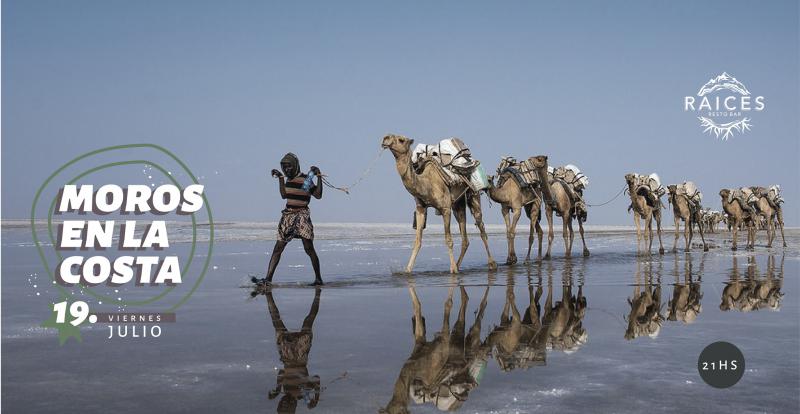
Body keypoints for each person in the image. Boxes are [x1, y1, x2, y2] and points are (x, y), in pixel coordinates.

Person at [260, 153, 324, 286]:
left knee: (309, 249)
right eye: (284, 167)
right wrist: (280, 178)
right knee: (278, 248)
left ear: (295, 166)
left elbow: (317, 195)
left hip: (302, 216)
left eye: (289, 166)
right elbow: (284, 195)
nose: (287, 169)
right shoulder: (287, 179)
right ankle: (268, 279)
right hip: (288, 216)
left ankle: (318, 279)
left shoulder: (305, 180)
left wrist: (318, 177)